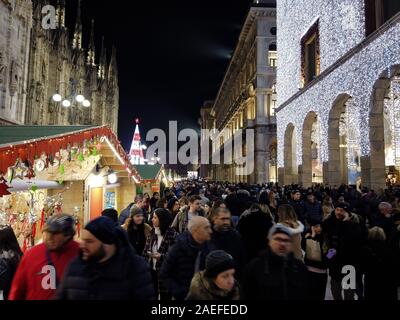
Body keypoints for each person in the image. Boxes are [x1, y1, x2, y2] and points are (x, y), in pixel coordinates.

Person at [55, 217, 154, 300]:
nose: (82, 246)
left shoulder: (134, 267)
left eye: (89, 241)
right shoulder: (76, 266)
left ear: (108, 243)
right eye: (82, 240)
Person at [9, 214, 80, 300]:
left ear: (68, 235)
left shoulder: (81, 253)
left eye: (55, 233)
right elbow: (17, 288)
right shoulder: (32, 254)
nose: (49, 237)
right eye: (48, 232)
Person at [241, 224, 309, 300]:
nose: (282, 244)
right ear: (269, 241)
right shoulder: (254, 267)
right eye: (278, 239)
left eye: (286, 240)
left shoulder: (300, 269)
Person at [160, 216, 212, 300]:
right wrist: (179, 292)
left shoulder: (209, 247)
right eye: (206, 228)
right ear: (195, 230)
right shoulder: (178, 248)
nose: (210, 231)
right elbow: (164, 273)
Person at [322, 203, 367, 300]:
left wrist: (346, 222)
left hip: (349, 262)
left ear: (347, 212)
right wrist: (328, 258)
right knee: (335, 289)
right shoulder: (329, 222)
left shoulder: (355, 224)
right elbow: (329, 243)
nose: (338, 212)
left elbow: (357, 240)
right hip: (334, 261)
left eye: (341, 210)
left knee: (349, 292)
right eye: (337, 209)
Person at [143, 209, 178, 300]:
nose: (152, 220)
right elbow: (145, 250)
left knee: (165, 297)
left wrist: (161, 257)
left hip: (165, 273)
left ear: (162, 219)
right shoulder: (152, 232)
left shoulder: (172, 234)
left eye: (155, 217)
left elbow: (176, 255)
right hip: (152, 270)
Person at [360, 227, 398, 300]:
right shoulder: (389, 249)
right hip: (388, 282)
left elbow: (362, 268)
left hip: (372, 282)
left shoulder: (366, 250)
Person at [209, 208, 246, 279]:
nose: (226, 222)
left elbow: (242, 259)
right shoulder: (207, 236)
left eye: (228, 219)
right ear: (214, 219)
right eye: (223, 219)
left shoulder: (235, 236)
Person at [302, 219, 328, 300]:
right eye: (316, 226)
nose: (319, 228)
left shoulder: (326, 238)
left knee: (320, 295)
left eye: (320, 226)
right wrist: (312, 236)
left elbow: (331, 252)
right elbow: (305, 248)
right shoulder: (308, 236)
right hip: (310, 272)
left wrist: (328, 257)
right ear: (312, 227)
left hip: (322, 273)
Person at [0, 226, 22, 300]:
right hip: (20, 292)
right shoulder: (19, 254)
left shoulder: (5, 257)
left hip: (10, 293)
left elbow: (3, 281)